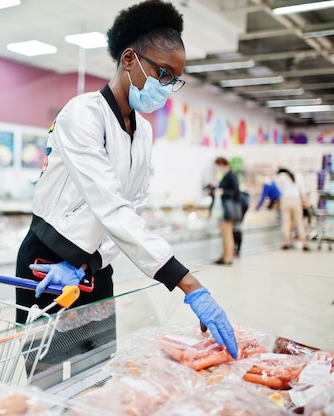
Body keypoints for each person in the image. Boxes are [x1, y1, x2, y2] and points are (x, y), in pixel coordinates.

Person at [15, 0, 238, 362]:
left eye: (174, 80)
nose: (167, 87)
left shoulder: (143, 131)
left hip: (95, 265)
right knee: (48, 376)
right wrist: (188, 283)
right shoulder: (82, 114)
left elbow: (132, 207)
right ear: (130, 59)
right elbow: (110, 204)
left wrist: (90, 264)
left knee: (98, 365)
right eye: (163, 73)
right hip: (48, 263)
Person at [212, 157, 242, 265]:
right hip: (225, 209)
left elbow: (236, 192)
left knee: (227, 233)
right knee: (226, 234)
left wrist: (223, 191)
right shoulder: (226, 175)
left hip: (228, 210)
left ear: (222, 164)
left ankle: (228, 257)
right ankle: (225, 256)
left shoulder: (231, 175)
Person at [277, 168, 309, 251]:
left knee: (286, 222)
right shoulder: (299, 177)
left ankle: (286, 242)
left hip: (285, 200)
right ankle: (304, 243)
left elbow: (280, 189)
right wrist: (304, 201)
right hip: (296, 200)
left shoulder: (282, 177)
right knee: (299, 222)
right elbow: (303, 191)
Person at [233, 190, 250, 258]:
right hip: (239, 216)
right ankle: (237, 251)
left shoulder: (237, 197)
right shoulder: (244, 198)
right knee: (238, 231)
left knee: (235, 232)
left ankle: (235, 250)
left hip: (236, 216)